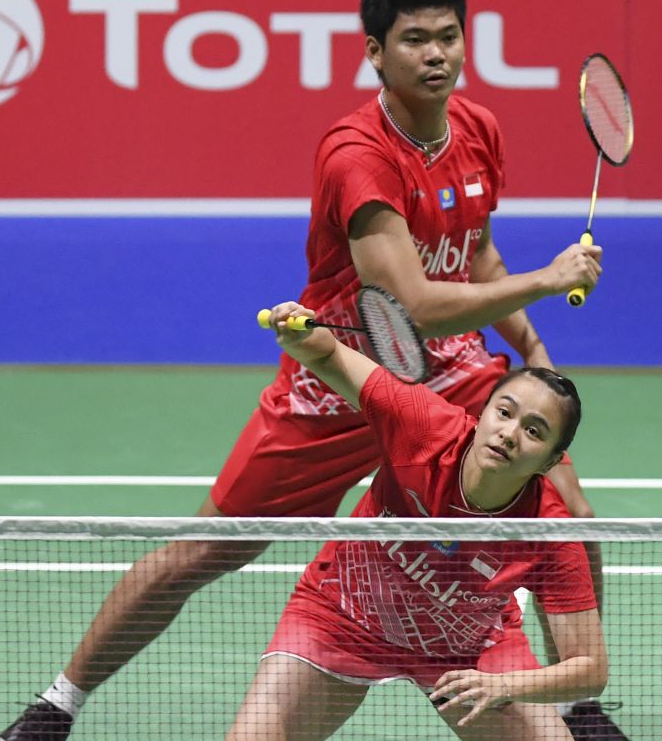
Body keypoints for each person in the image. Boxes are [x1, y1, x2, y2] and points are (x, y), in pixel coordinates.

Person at [0, 0, 625, 741]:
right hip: (341, 379)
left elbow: (475, 256)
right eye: (415, 40)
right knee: (208, 550)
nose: (437, 54)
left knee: (573, 515)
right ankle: (57, 704)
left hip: (453, 373)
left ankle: (576, 703)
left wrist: (529, 345)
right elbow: (418, 307)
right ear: (375, 52)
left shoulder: (478, 129)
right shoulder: (356, 154)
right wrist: (550, 277)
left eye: (449, 36)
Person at [226, 301, 608, 741]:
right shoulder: (422, 426)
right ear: (482, 411)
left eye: (534, 431)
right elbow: (329, 354)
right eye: (504, 412)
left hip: (469, 650)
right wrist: (300, 336)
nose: (509, 433)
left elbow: (590, 669)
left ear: (552, 462)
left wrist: (504, 684)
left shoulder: (548, 532)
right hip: (344, 615)